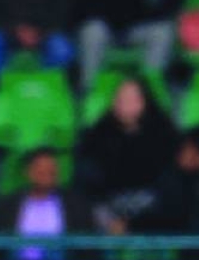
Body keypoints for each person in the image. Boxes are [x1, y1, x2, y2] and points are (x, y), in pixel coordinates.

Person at [74, 76, 177, 233]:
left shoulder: (165, 136)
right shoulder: (96, 137)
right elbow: (89, 188)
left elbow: (169, 192)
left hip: (151, 211)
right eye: (120, 98)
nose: (125, 104)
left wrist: (134, 224)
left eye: (132, 99)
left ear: (145, 101)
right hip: (109, 210)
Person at [0, 147, 93, 260]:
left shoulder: (76, 204)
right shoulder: (8, 205)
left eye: (51, 170)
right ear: (28, 172)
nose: (47, 174)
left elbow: (87, 246)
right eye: (41, 169)